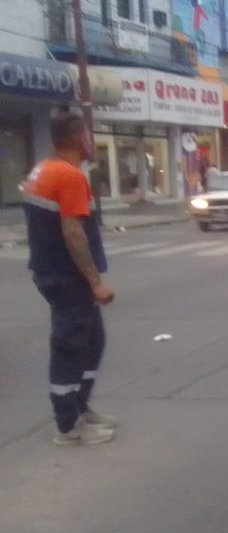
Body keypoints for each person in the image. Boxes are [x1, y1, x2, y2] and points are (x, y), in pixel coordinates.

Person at [21, 113, 118, 446]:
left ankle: (79, 407)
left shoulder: (43, 169)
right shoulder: (68, 175)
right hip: (66, 276)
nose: (91, 141)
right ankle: (67, 426)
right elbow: (73, 233)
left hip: (54, 271)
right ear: (80, 139)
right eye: (89, 135)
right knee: (70, 347)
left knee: (92, 340)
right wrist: (94, 282)